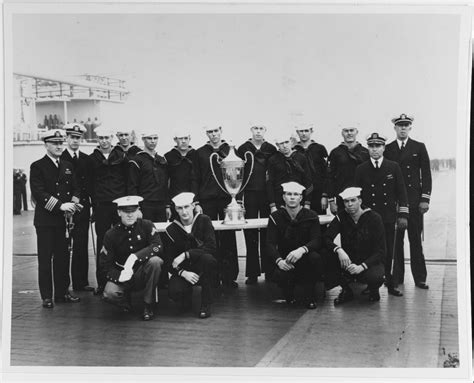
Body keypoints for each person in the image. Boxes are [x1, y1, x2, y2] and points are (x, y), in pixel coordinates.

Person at [29, 129, 82, 308]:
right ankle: (47, 296)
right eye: (54, 143)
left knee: (63, 257)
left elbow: (76, 188)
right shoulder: (37, 166)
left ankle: (62, 293)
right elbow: (39, 192)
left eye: (60, 143)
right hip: (45, 221)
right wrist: (60, 205)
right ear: (46, 145)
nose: (59, 146)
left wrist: (73, 205)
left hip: (63, 221)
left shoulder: (67, 165)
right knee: (45, 259)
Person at [354, 133, 408, 297]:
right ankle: (373, 286)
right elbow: (357, 195)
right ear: (368, 148)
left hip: (388, 217)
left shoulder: (393, 167)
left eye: (378, 146)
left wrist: (403, 215)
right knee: (370, 252)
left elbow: (402, 192)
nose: (375, 149)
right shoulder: (361, 169)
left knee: (390, 251)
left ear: (384, 148)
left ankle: (391, 284)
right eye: (371, 146)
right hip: (369, 219)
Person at [384, 114, 432, 290]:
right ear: (395, 128)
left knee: (415, 241)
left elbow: (426, 174)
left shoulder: (418, 147)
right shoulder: (387, 149)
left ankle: (420, 277)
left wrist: (425, 199)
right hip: (394, 202)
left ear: (410, 128)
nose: (403, 128)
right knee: (396, 242)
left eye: (406, 125)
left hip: (413, 202)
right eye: (400, 126)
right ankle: (396, 278)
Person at [101, 196, 164, 321]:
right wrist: (119, 276)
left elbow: (158, 246)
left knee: (155, 262)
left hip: (142, 272)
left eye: (133, 211)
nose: (130, 215)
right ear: (119, 212)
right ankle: (125, 302)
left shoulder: (146, 225)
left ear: (138, 211)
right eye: (126, 212)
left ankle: (148, 304)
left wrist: (135, 257)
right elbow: (105, 265)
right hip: (123, 275)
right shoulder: (111, 234)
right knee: (109, 294)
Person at [324, 187, 385, 305]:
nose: (349, 204)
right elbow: (326, 237)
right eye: (346, 201)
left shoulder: (374, 218)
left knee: (375, 276)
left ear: (360, 201)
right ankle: (346, 290)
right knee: (326, 255)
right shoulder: (341, 217)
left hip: (369, 262)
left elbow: (381, 251)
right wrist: (339, 250)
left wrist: (362, 266)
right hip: (349, 260)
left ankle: (373, 289)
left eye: (353, 200)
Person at [266, 182, 323, 309]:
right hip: (286, 260)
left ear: (301, 198)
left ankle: (310, 295)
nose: (292, 197)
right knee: (281, 274)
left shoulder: (311, 215)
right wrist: (279, 261)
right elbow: (270, 243)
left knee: (316, 258)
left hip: (305, 258)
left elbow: (317, 240)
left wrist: (302, 250)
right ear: (283, 197)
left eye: (296, 194)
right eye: (289, 194)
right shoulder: (275, 217)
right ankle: (288, 292)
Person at [194, 125, 238, 288]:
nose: (213, 135)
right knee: (209, 239)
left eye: (216, 131)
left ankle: (229, 276)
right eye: (210, 132)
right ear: (206, 133)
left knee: (228, 238)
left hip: (227, 198)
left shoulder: (230, 149)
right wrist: (197, 202)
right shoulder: (200, 153)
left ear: (221, 131)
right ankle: (211, 276)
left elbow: (237, 175)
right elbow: (195, 178)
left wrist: (237, 200)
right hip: (207, 200)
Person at [163, 192, 218, 319]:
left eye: (187, 207)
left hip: (203, 266)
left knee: (208, 259)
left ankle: (205, 304)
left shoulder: (204, 220)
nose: (184, 212)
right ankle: (186, 298)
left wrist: (186, 254)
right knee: (175, 291)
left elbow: (211, 247)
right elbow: (169, 261)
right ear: (175, 209)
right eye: (180, 208)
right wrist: (183, 273)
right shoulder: (171, 230)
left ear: (193, 205)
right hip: (185, 270)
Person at [89, 126, 129, 295]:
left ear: (112, 138)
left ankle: (124, 278)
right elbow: (89, 183)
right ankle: (102, 281)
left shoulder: (122, 157)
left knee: (123, 240)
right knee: (103, 244)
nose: (104, 141)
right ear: (97, 140)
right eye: (101, 138)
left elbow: (127, 181)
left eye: (107, 137)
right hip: (102, 206)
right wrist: (94, 203)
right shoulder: (91, 159)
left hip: (118, 204)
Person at [237, 124, 277, 284]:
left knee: (269, 232)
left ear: (265, 130)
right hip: (250, 194)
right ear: (251, 130)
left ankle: (270, 270)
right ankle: (252, 272)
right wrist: (239, 199)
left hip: (267, 195)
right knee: (250, 232)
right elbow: (238, 175)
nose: (258, 131)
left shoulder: (271, 148)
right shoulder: (243, 148)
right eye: (255, 128)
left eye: (261, 128)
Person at [60, 123, 94, 292]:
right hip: (66, 209)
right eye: (72, 137)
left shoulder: (86, 159)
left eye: (77, 138)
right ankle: (64, 286)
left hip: (83, 208)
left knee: (81, 245)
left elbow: (90, 185)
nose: (75, 141)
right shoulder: (61, 157)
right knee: (65, 248)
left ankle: (81, 283)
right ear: (67, 138)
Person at [128, 130, 171, 222]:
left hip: (161, 205)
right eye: (149, 138)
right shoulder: (136, 160)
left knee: (160, 234)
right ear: (143, 139)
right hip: (145, 205)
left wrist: (167, 206)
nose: (153, 141)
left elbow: (165, 185)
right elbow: (132, 186)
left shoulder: (161, 160)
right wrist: (137, 208)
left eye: (155, 138)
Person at [327, 126, 369, 214]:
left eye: (351, 130)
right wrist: (331, 201)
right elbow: (330, 177)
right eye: (346, 131)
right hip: (342, 197)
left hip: (363, 197)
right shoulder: (335, 152)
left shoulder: (365, 152)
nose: (349, 133)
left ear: (357, 132)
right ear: (342, 133)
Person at [267, 132, 313, 212]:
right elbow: (269, 183)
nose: (284, 146)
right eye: (281, 143)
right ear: (277, 145)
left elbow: (308, 180)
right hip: (280, 200)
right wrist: (272, 205)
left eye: (286, 142)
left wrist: (307, 203)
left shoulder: (301, 158)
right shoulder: (273, 160)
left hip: (298, 199)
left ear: (291, 142)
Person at [293, 125, 329, 214]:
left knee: (319, 220)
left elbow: (326, 173)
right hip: (299, 191)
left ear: (311, 131)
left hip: (318, 191)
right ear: (297, 132)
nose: (304, 133)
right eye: (301, 131)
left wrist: (324, 195)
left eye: (306, 130)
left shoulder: (320, 148)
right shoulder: (294, 149)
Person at [164, 129, 198, 200]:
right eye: (180, 138)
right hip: (174, 199)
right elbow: (165, 182)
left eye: (186, 138)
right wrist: (167, 204)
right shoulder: (168, 157)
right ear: (175, 140)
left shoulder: (196, 155)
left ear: (189, 139)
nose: (183, 141)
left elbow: (199, 180)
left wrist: (197, 201)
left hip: (193, 199)